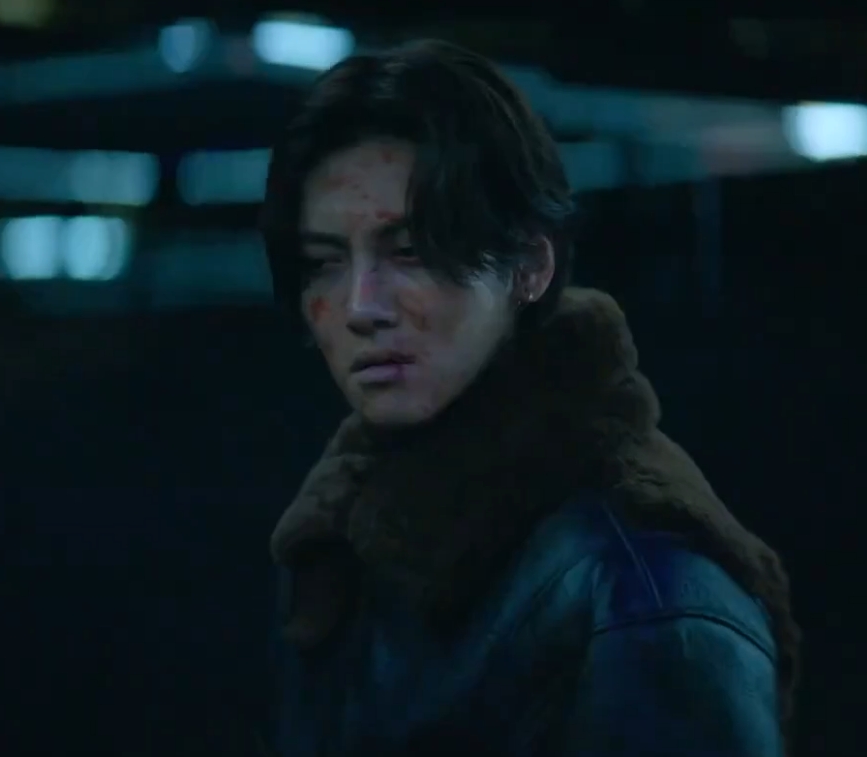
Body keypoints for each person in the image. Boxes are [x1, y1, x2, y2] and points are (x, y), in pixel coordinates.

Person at [258, 39, 799, 756]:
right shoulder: (340, 556)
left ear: (530, 266)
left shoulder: (640, 601)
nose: (360, 306)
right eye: (324, 263)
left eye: (410, 250)